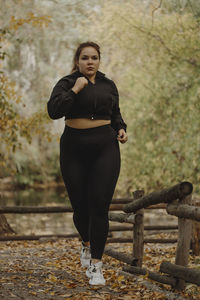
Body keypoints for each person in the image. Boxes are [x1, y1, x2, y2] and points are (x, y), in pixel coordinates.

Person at [47, 41, 128, 285]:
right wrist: (75, 90)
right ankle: (86, 243)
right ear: (77, 61)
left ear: (99, 60)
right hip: (73, 148)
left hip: (105, 146)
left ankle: (96, 265)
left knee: (100, 206)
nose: (90, 62)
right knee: (80, 207)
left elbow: (115, 113)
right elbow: (53, 111)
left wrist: (121, 128)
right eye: (85, 58)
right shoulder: (66, 82)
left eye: (94, 57)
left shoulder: (108, 84)